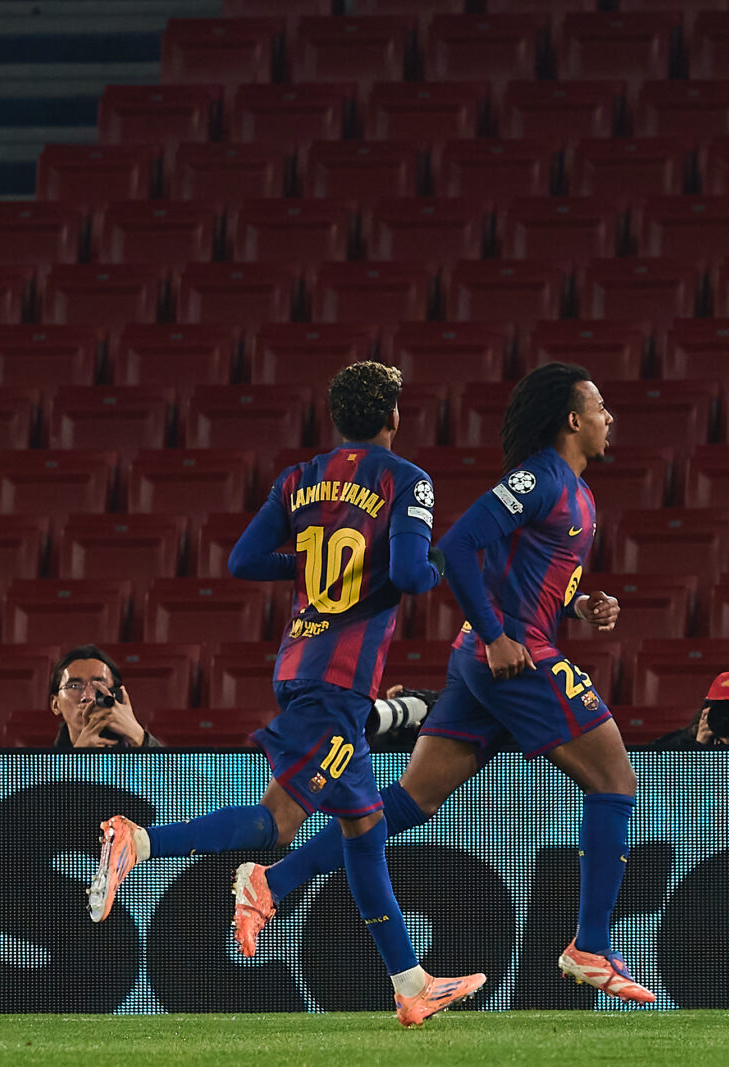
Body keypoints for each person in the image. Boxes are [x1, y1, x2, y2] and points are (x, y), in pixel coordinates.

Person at [235, 361, 657, 1005]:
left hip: (487, 656)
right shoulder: (539, 478)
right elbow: (459, 546)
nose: (609, 419)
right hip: (511, 656)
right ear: (573, 420)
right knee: (616, 782)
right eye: (600, 407)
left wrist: (579, 606)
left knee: (408, 801)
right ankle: (590, 946)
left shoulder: (579, 490)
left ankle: (275, 881)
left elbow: (527, 572)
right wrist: (495, 635)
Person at [85, 361, 484, 1028]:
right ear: (391, 417)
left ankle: (412, 984)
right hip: (337, 679)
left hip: (302, 662)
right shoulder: (407, 479)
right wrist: (446, 559)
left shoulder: (299, 479)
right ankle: (139, 841)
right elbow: (415, 576)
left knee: (364, 829)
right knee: (278, 823)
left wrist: (306, 565)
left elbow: (242, 560)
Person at [48, 645, 158, 749]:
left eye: (100, 686)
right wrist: (77, 757)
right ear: (55, 704)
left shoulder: (136, 742)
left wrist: (140, 738)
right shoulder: (42, 765)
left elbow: (171, 768)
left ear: (117, 696)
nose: (88, 697)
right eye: (74, 686)